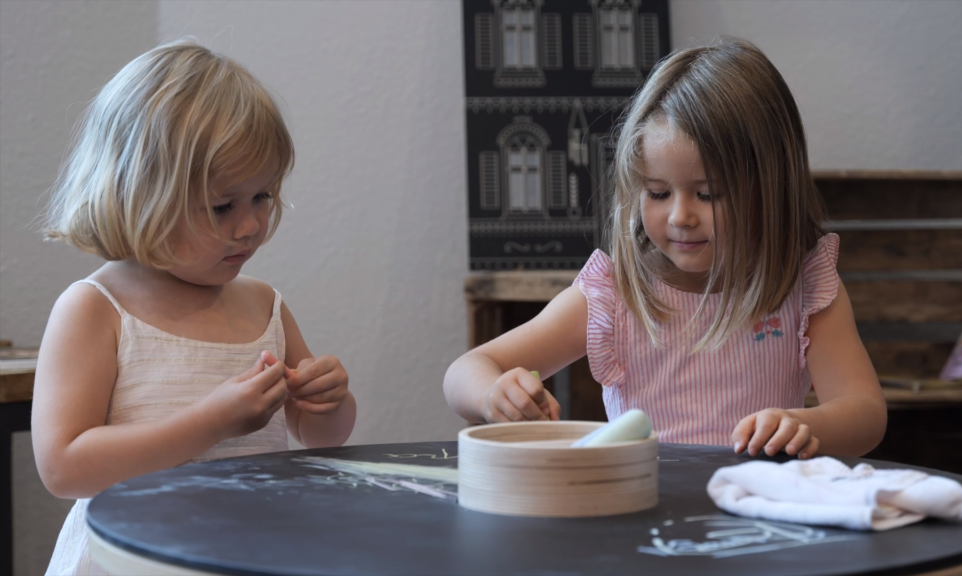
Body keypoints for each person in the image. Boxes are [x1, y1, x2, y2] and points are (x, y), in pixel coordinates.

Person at [444, 38, 886, 460]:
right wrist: (492, 395)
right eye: (657, 193)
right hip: (638, 514)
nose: (680, 217)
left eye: (709, 194)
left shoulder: (803, 286)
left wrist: (803, 425)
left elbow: (865, 413)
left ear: (770, 188)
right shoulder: (613, 295)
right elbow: (467, 368)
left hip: (753, 516)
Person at [32, 40, 356, 575]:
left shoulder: (265, 304)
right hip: (132, 561)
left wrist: (329, 404)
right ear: (137, 193)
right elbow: (65, 467)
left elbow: (316, 436)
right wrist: (210, 422)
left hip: (247, 553)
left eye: (263, 197)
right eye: (222, 206)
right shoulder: (97, 309)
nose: (249, 225)